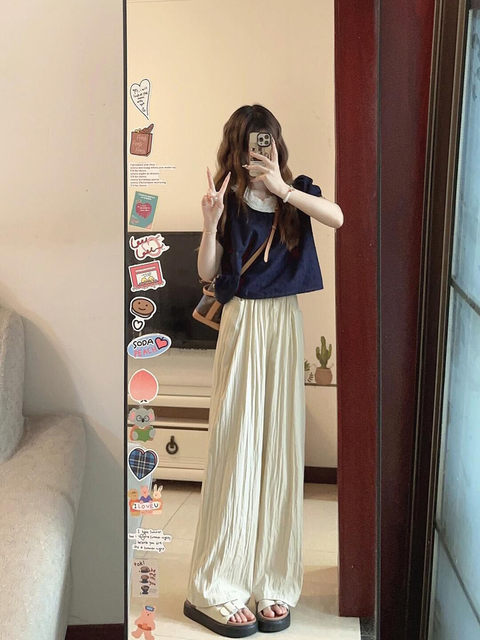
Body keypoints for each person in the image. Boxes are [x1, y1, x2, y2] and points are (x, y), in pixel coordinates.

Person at [183, 104, 343, 638]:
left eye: (267, 138)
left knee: (280, 447)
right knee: (237, 446)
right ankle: (215, 587)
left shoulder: (296, 192)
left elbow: (337, 217)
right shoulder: (226, 200)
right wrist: (209, 225)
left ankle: (273, 579)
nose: (261, 148)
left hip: (284, 322)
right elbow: (208, 272)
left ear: (276, 142)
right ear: (237, 144)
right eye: (253, 140)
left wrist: (282, 188)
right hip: (244, 320)